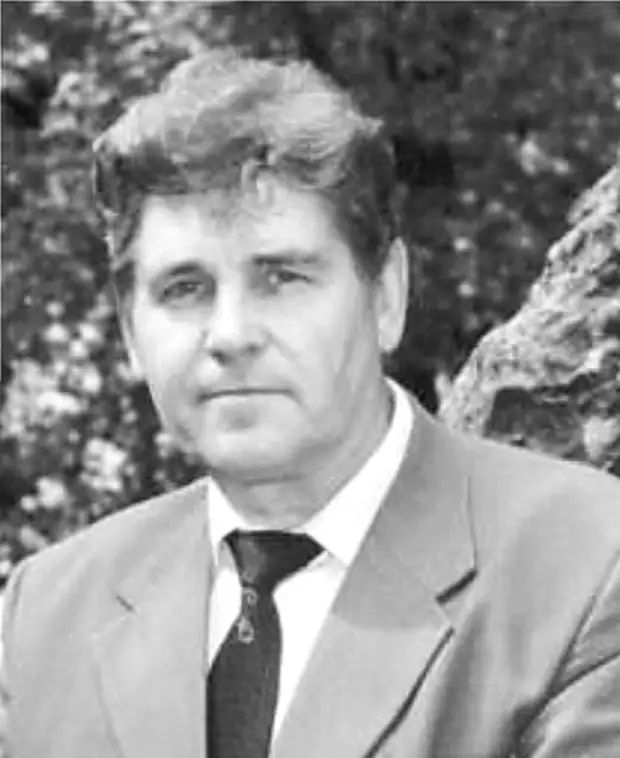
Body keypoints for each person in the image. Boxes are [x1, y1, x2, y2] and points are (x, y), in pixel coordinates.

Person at [2, 47, 620, 758]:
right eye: (184, 289)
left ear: (386, 296)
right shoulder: (42, 617)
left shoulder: (586, 567)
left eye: (282, 278)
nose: (230, 334)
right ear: (129, 330)